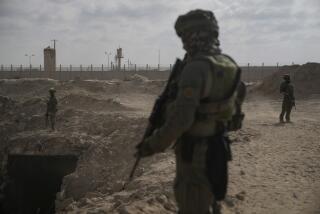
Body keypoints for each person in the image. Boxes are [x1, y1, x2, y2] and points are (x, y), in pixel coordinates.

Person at [136, 9, 245, 214]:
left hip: (196, 152)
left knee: (192, 202)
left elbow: (182, 120)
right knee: (210, 201)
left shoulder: (196, 68)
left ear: (194, 35)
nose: (184, 43)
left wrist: (152, 145)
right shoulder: (227, 63)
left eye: (185, 37)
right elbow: (238, 99)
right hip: (218, 146)